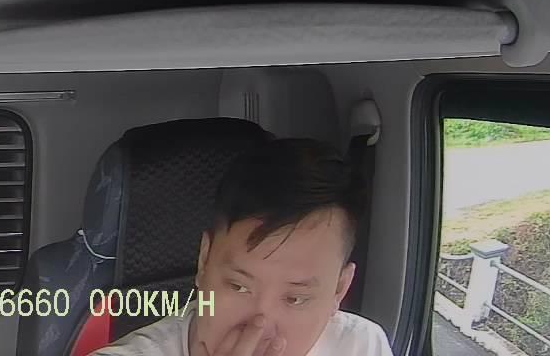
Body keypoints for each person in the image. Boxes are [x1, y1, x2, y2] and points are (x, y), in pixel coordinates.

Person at [91, 138, 393, 356]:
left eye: (295, 299)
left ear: (338, 290)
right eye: (239, 287)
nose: (259, 326)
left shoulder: (361, 345)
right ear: (204, 261)